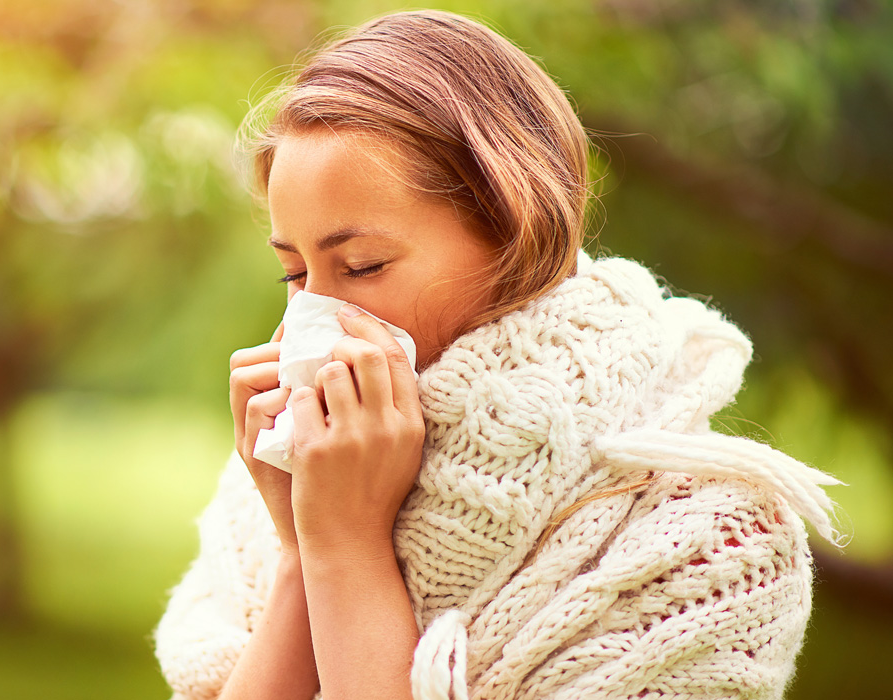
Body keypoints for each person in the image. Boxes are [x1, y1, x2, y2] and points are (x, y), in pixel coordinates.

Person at [155, 10, 840, 700]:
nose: (314, 318)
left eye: (361, 266)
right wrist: (304, 554)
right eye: (295, 274)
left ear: (517, 234)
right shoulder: (270, 496)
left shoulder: (711, 542)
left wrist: (351, 550)